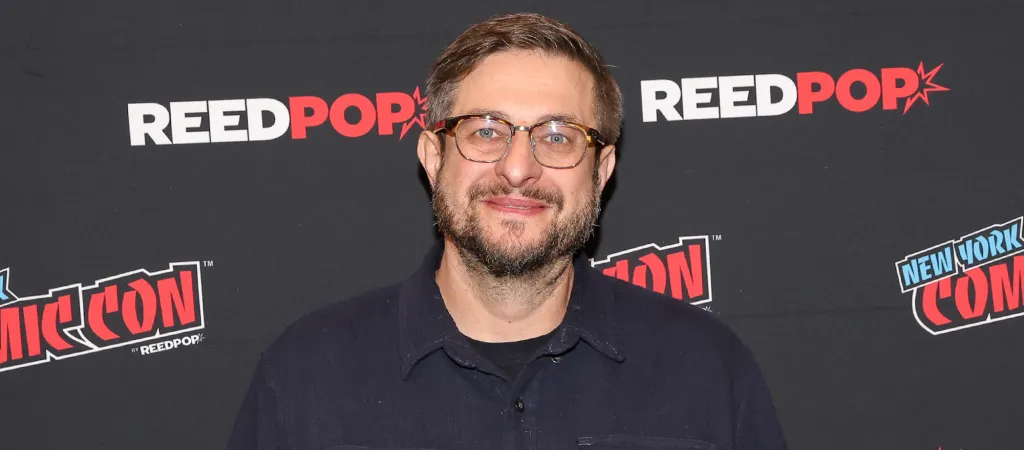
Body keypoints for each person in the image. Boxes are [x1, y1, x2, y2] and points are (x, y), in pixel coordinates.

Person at [226, 12, 787, 450]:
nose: (518, 169)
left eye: (558, 136)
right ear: (433, 156)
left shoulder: (705, 369)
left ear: (602, 171)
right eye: (486, 131)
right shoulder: (306, 375)